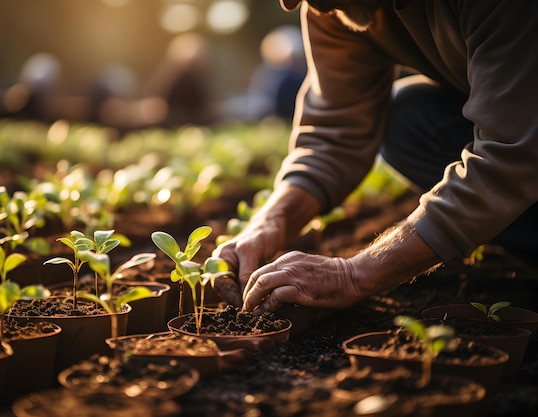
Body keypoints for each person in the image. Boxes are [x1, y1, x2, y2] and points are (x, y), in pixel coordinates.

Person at [212, 0, 538, 316]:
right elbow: (334, 133)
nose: (308, 4)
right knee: (409, 119)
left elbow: (513, 151)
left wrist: (355, 275)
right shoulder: (330, 6)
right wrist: (271, 221)